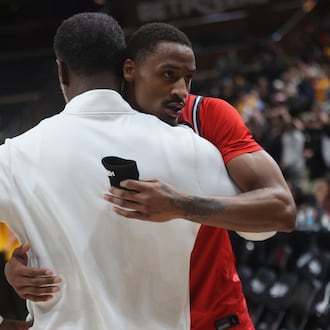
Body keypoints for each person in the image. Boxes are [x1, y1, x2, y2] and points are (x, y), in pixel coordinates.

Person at [5, 22, 296, 329]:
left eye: (188, 79)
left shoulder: (205, 118)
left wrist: (181, 205)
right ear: (129, 70)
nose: (181, 91)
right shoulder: (73, 136)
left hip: (215, 316)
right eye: (168, 75)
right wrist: (23, 265)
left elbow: (280, 210)